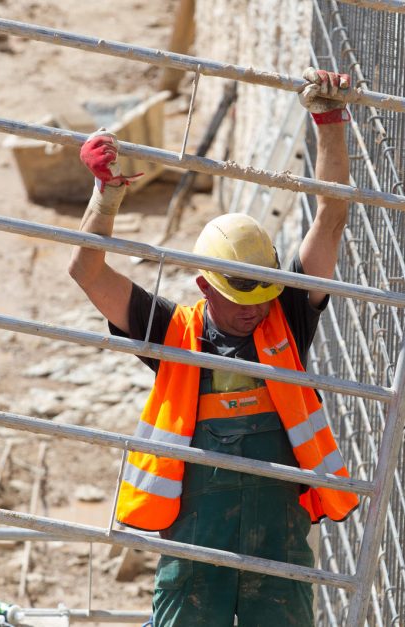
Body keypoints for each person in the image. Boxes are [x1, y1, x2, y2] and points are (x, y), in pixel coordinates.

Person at [68, 67, 358, 627]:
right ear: (204, 285)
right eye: (240, 296)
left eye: (264, 293)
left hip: (279, 542)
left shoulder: (289, 316)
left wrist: (329, 123)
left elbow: (332, 215)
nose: (255, 308)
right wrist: (105, 198)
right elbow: (86, 270)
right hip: (197, 543)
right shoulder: (171, 332)